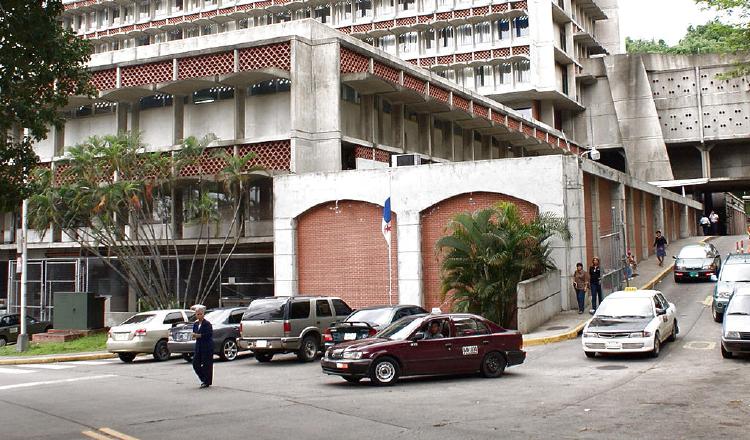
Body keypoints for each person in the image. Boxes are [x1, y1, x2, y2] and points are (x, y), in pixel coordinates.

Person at [191, 305, 213, 388]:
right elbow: (194, 334)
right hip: (198, 346)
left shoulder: (207, 324)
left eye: (200, 314)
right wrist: (194, 336)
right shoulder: (196, 324)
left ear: (203, 314)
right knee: (195, 364)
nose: (199, 316)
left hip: (207, 346)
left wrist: (199, 335)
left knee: (207, 365)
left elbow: (209, 334)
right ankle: (203, 378)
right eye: (197, 314)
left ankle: (206, 381)